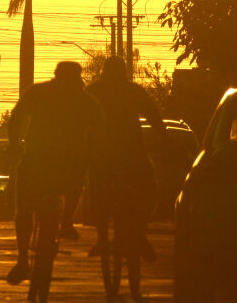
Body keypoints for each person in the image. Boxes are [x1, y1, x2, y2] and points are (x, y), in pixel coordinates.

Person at [5, 61, 105, 285]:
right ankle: (67, 221)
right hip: (68, 164)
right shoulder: (85, 99)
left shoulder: (38, 92)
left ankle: (22, 260)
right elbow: (100, 132)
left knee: (24, 209)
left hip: (36, 160)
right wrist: (92, 154)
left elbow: (16, 120)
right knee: (78, 180)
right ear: (77, 78)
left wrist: (15, 145)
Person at [86, 56, 165, 302]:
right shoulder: (133, 90)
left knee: (95, 188)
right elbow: (154, 116)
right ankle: (138, 234)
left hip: (104, 158)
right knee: (149, 188)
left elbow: (79, 121)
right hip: (132, 156)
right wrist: (162, 136)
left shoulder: (93, 91)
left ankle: (101, 236)